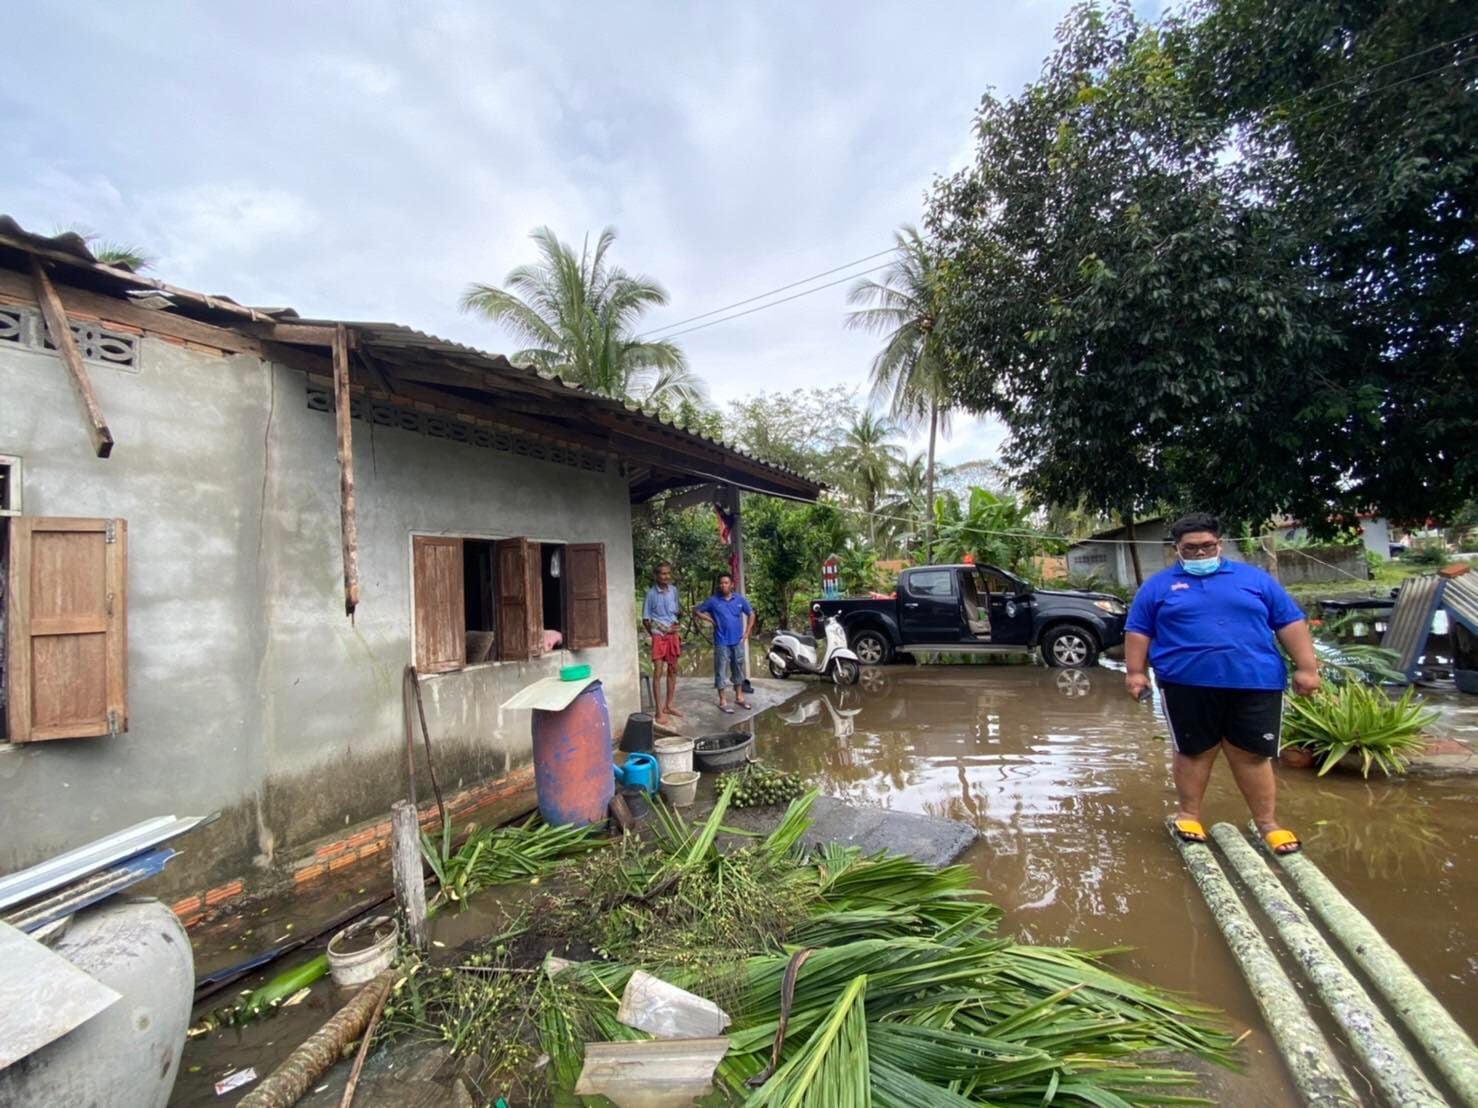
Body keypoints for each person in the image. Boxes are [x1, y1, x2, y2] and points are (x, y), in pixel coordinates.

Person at [1125, 512, 1320, 855]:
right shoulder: (1157, 586)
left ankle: (1267, 824)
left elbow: (1289, 622)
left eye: (1207, 546)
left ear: (1220, 544)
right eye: (1191, 548)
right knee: (1193, 751)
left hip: (1255, 681)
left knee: (1253, 755)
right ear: (1177, 549)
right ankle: (1189, 815)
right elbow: (1139, 630)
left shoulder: (1254, 580)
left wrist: (1307, 668)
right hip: (1184, 683)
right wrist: (1135, 672)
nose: (1200, 554)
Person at [695, 572, 756, 714]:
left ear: (731, 584)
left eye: (726, 583)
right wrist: (710, 620)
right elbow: (697, 611)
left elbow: (751, 614)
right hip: (721, 641)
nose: (723, 585)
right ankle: (722, 700)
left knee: (737, 668)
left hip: (737, 640)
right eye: (721, 583)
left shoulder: (739, 599)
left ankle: (739, 697)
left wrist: (747, 632)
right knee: (721, 669)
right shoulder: (712, 601)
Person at [641, 562, 684, 727]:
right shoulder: (651, 594)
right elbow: (646, 620)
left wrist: (676, 620)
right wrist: (656, 634)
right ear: (656, 576)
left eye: (668, 573)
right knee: (658, 673)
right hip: (659, 637)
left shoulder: (673, 590)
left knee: (673, 670)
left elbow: (675, 611)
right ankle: (659, 711)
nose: (666, 576)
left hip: (673, 635)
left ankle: (669, 705)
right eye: (662, 574)